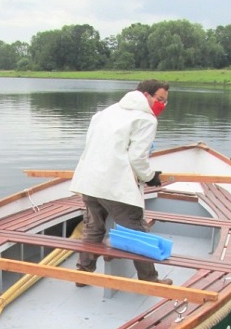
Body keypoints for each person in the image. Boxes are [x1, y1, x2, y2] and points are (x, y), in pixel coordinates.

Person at [70, 79, 172, 286]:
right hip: (115, 185)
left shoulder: (105, 112)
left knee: (93, 228)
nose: (162, 104)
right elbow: (137, 158)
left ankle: (83, 275)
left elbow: (92, 144)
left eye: (165, 101)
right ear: (146, 95)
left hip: (89, 181)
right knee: (136, 232)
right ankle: (150, 280)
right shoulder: (145, 119)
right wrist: (150, 176)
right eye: (160, 99)